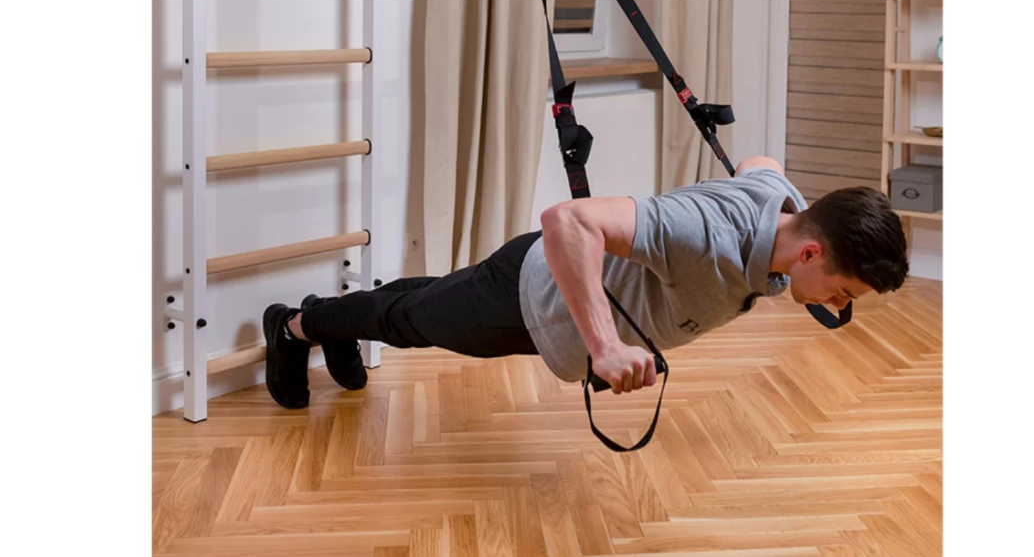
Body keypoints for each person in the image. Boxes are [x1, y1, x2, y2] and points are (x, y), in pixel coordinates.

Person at [262, 156, 909, 409]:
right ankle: (295, 327)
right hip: (531, 300)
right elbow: (567, 220)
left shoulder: (783, 204)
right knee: (409, 321)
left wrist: (746, 172)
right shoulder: (703, 236)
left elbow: (762, 164)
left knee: (424, 298)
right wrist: (603, 347)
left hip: (536, 288)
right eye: (841, 292)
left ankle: (330, 315)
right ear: (812, 253)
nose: (833, 306)